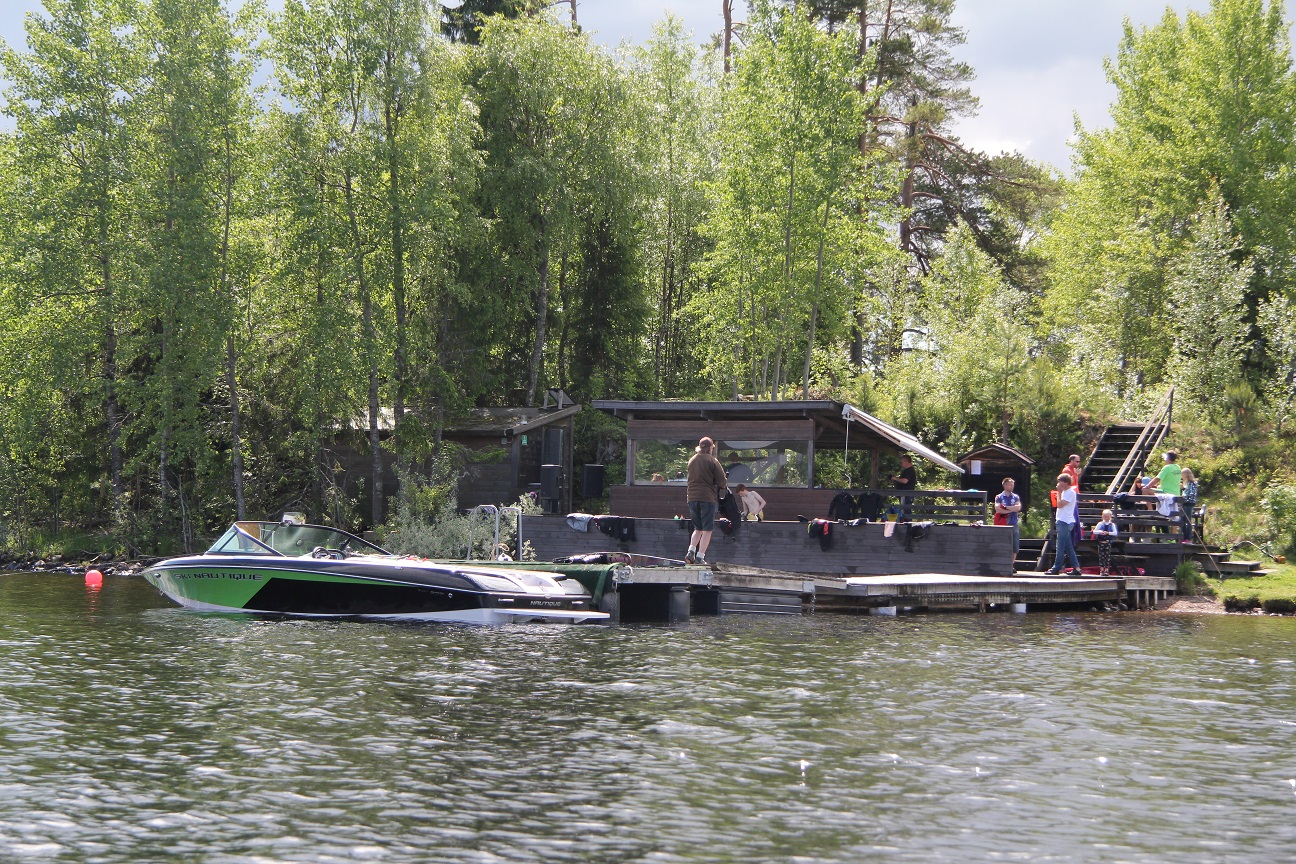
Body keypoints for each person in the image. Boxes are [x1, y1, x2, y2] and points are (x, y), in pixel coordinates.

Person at [685, 436, 727, 565]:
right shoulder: (712, 460)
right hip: (707, 498)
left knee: (698, 528)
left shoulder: (692, 460)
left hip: (692, 497)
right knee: (707, 529)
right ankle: (700, 557)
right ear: (710, 448)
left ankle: (691, 551)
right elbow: (722, 482)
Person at [1046, 473, 1082, 576]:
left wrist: (1059, 492)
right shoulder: (1065, 492)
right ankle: (1077, 567)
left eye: (1060, 482)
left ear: (1065, 482)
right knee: (1068, 546)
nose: (1058, 484)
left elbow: (1060, 505)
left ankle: (1056, 568)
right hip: (1062, 521)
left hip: (1065, 522)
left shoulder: (1069, 492)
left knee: (1060, 545)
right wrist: (1060, 492)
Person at [994, 477, 1023, 568]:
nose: (1012, 486)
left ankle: (1011, 564)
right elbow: (998, 509)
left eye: (1013, 485)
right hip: (1003, 524)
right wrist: (1012, 509)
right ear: (1005, 485)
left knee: (1015, 545)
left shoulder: (1016, 497)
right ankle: (1002, 563)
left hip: (1013, 523)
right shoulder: (999, 497)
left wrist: (1006, 508)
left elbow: (1018, 508)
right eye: (1010, 485)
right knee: (1002, 544)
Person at [1092, 509, 1119, 577]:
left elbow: (1115, 533)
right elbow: (1094, 531)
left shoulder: (1112, 524)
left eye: (1108, 516)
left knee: (1107, 556)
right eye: (1105, 516)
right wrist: (1100, 532)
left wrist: (1108, 533)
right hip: (1101, 542)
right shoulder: (1100, 524)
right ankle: (1101, 570)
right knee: (1101, 556)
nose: (1106, 518)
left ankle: (1106, 570)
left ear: (1110, 516)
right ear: (1102, 516)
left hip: (1108, 542)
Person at [890, 454, 917, 520]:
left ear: (906, 461)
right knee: (904, 511)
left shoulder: (909, 470)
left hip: (907, 495)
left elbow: (905, 481)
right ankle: (905, 523)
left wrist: (894, 478)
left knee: (906, 511)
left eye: (901, 462)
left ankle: (907, 525)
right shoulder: (907, 471)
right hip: (904, 495)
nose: (900, 464)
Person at [1180, 466, 1199, 542]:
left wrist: (1183, 488)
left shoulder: (1192, 483)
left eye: (1182, 474)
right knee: (1182, 520)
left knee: (1188, 521)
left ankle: (1188, 538)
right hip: (1184, 503)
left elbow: (1190, 493)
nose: (1181, 476)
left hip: (1189, 503)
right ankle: (1184, 537)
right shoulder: (1185, 483)